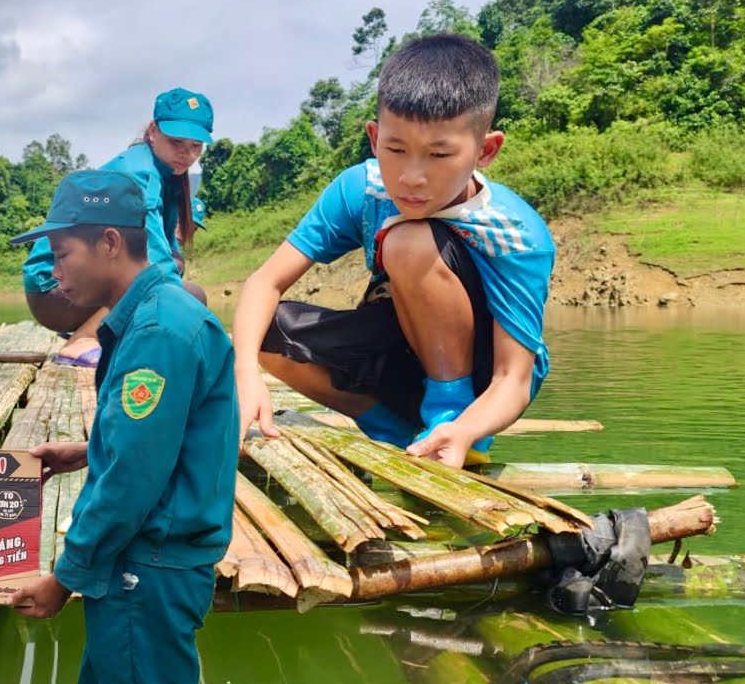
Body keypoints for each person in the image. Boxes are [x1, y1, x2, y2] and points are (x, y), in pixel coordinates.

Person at [232, 34, 555, 469]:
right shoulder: (362, 189)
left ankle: (449, 416)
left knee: (409, 241)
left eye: (439, 154)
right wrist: (245, 373)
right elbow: (263, 282)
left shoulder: (517, 235)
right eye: (396, 149)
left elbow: (513, 378)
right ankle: (391, 430)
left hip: (483, 388)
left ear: (486, 150)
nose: (411, 177)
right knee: (268, 331)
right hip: (400, 356)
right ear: (374, 137)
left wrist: (467, 428)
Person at [8, 170, 238, 684]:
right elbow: (161, 441)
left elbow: (132, 479)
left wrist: (63, 579)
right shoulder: (158, 315)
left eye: (62, 255)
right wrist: (89, 451)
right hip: (144, 566)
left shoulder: (157, 333)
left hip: (146, 569)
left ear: (110, 243)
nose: (53, 274)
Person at [21, 87, 214, 367]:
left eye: (195, 146)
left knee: (183, 281)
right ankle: (84, 339)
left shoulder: (165, 175)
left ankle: (95, 328)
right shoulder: (140, 174)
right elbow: (155, 264)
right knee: (187, 296)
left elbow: (168, 256)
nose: (186, 154)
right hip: (54, 291)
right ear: (153, 131)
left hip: (68, 289)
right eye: (176, 142)